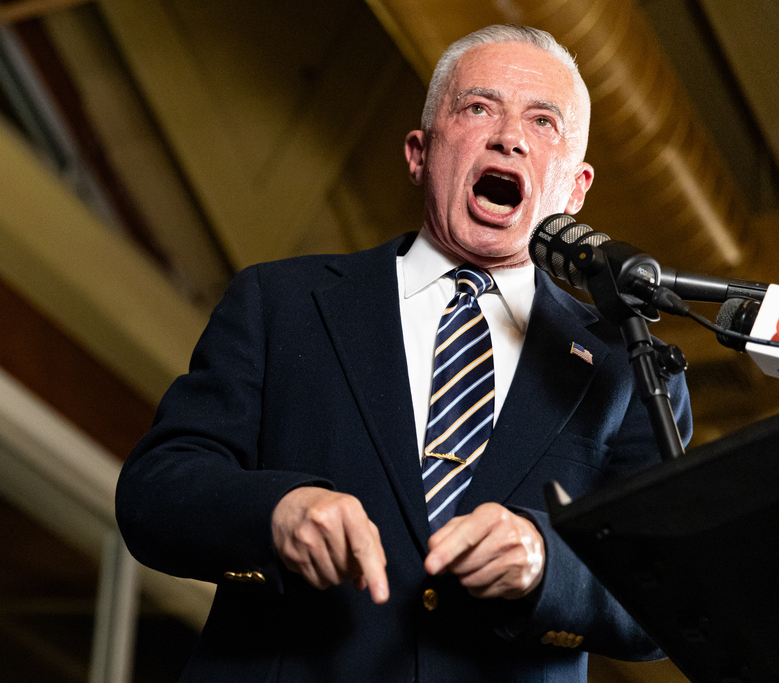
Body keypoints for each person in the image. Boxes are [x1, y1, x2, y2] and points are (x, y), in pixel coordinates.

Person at [116, 24, 692, 682]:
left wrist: (545, 561)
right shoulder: (279, 303)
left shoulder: (630, 367)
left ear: (575, 190)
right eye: (478, 107)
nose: (509, 135)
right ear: (420, 152)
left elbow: (668, 597)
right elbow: (154, 491)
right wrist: (275, 512)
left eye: (543, 121)